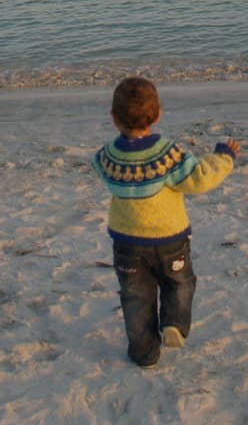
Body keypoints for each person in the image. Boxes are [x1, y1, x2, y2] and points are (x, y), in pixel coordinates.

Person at [91, 77, 239, 368]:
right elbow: (200, 178)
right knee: (180, 282)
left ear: (113, 118)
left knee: (135, 298)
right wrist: (224, 157)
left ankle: (144, 353)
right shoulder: (167, 154)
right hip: (170, 238)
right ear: (158, 115)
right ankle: (174, 323)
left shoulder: (108, 157)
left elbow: (99, 166)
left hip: (127, 242)